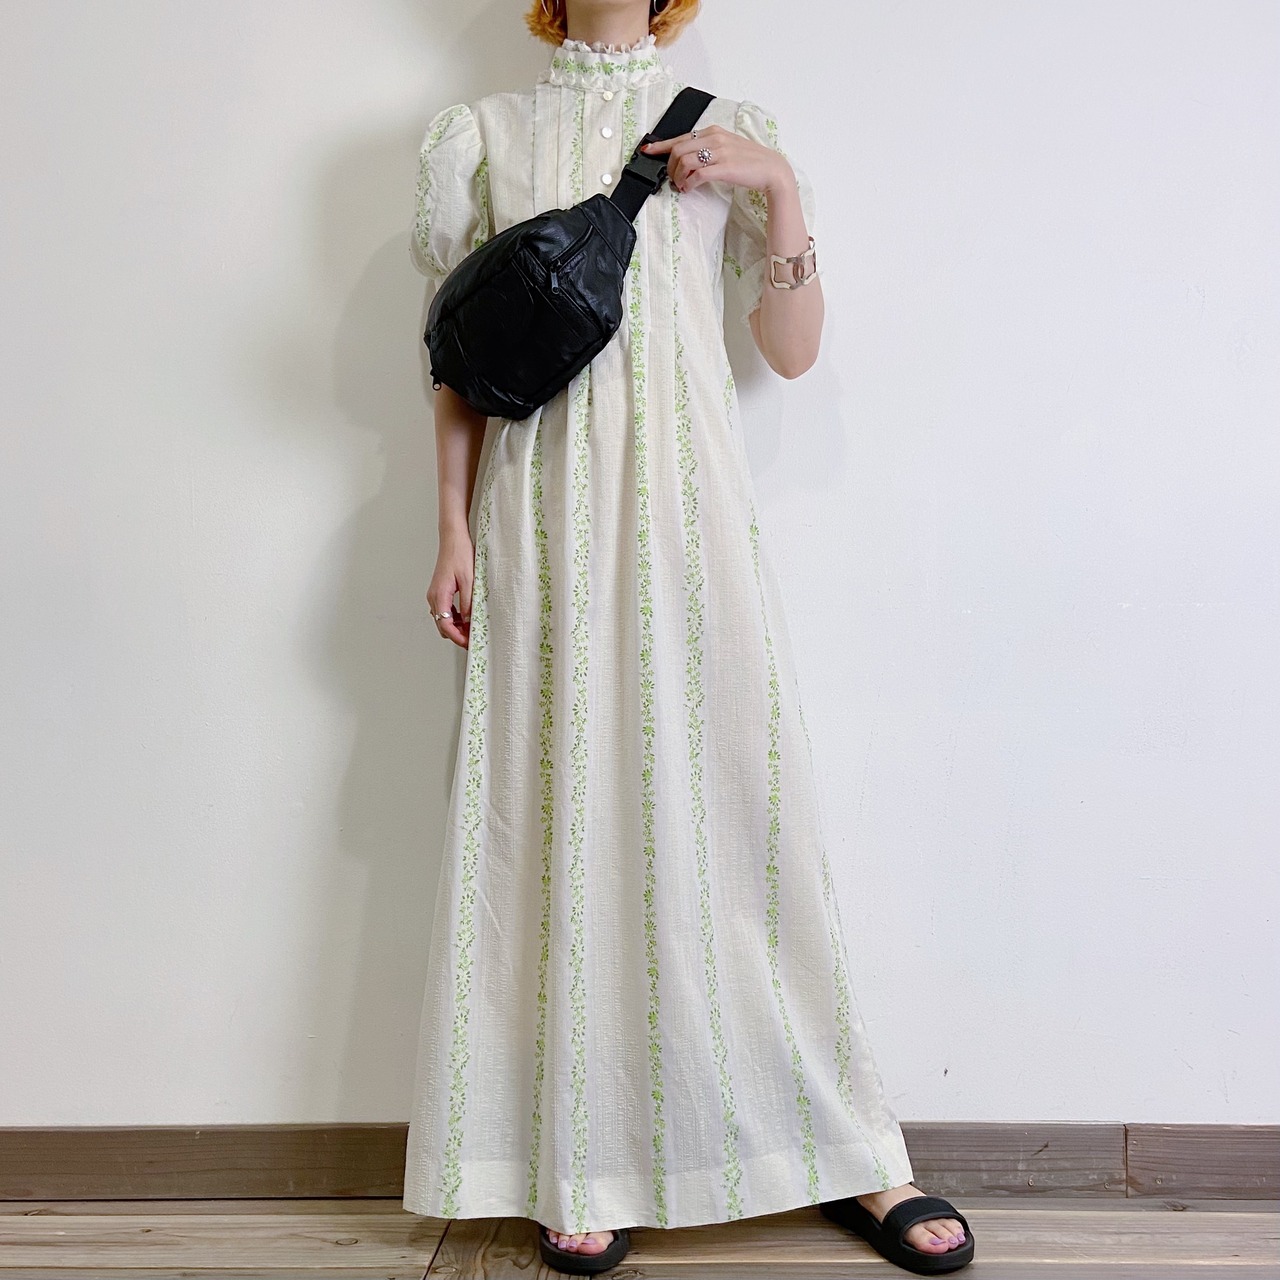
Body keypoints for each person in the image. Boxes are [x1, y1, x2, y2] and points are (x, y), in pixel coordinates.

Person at [403, 0, 974, 1274]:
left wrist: (778, 191)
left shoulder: (729, 131)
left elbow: (789, 352)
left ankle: (845, 1143)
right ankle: (578, 1151)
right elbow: (461, 359)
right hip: (537, 515)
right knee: (553, 815)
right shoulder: (481, 135)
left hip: (684, 510)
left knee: (739, 807)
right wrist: (450, 527)